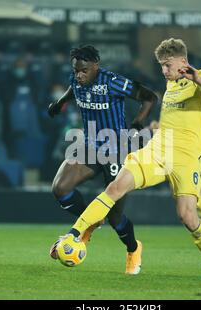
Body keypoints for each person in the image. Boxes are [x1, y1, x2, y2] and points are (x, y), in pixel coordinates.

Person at [52, 38, 201, 280]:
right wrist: (154, 128)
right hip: (158, 151)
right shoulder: (172, 86)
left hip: (186, 159)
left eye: (167, 65)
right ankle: (75, 234)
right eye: (161, 66)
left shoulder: (199, 77)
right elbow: (174, 122)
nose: (164, 71)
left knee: (187, 216)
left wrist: (198, 77)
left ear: (183, 62)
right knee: (115, 188)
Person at [47, 45, 158, 275]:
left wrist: (137, 125)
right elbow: (73, 88)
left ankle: (134, 249)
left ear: (96, 66)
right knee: (60, 187)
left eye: (84, 70)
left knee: (116, 218)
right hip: (89, 146)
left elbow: (149, 97)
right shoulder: (77, 79)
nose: (79, 75)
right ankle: (89, 223)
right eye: (76, 70)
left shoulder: (112, 81)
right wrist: (60, 103)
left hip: (116, 150)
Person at [146, 106, 201, 246]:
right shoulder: (179, 100)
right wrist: (159, 126)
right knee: (193, 197)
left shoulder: (193, 95)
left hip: (195, 151)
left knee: (186, 195)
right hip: (191, 150)